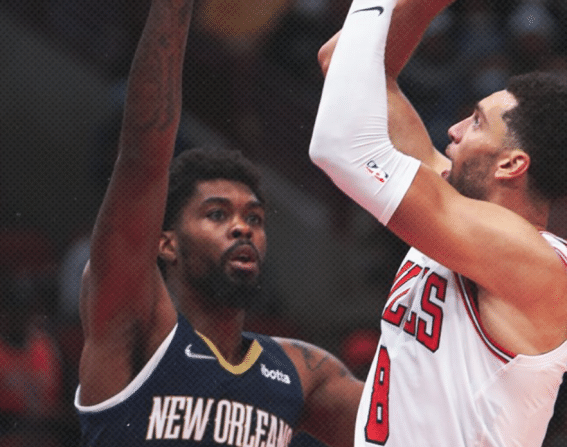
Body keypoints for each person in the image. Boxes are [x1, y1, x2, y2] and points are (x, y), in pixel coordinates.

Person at [309, 0, 567, 445]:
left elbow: (339, 147)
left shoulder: (535, 264)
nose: (454, 129)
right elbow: (345, 62)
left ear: (511, 164)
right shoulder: (452, 204)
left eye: (477, 122)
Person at [74, 1, 362, 446]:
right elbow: (142, 160)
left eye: (254, 218)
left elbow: (406, 428)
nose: (243, 228)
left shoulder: (304, 372)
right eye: (217, 214)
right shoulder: (136, 329)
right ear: (166, 243)